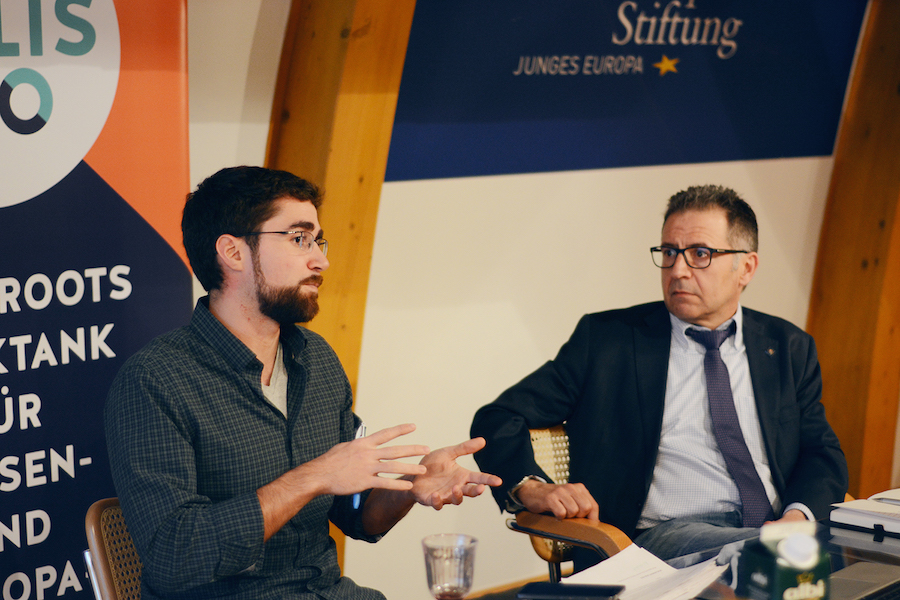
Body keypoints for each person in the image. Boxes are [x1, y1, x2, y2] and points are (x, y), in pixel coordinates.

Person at [105, 166, 501, 600]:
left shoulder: (316, 358)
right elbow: (173, 556)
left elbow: (356, 516)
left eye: (317, 241)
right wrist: (313, 477)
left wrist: (410, 487)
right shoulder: (155, 380)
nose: (321, 260)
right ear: (233, 252)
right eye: (298, 239)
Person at [470, 184, 847, 570]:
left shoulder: (786, 346)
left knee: (855, 554)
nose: (678, 270)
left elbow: (820, 451)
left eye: (700, 254)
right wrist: (530, 487)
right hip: (659, 541)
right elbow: (497, 418)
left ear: (746, 268)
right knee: (794, 562)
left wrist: (796, 518)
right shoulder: (608, 342)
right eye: (669, 253)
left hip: (770, 529)